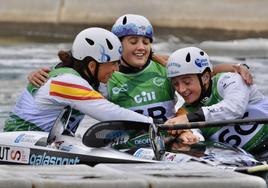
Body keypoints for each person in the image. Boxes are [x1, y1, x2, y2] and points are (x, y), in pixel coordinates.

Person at [26, 14, 253, 142]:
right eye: (133, 42)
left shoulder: (162, 66)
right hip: (133, 142)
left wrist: (234, 67)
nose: (141, 48)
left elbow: (202, 73)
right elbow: (73, 76)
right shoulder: (105, 78)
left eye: (145, 42)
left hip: (173, 134)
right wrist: (37, 76)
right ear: (117, 45)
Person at [4, 27, 154, 133]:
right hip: (21, 141)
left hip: (42, 140)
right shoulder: (67, 82)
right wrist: (154, 124)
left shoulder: (79, 76)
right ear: (92, 65)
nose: (116, 69)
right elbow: (110, 113)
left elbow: (113, 101)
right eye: (113, 63)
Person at [165, 46, 268, 154]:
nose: (181, 89)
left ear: (205, 78)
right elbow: (197, 134)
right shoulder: (184, 112)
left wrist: (189, 118)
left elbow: (235, 108)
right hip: (251, 158)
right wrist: (191, 137)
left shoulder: (229, 80)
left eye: (187, 82)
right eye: (176, 84)